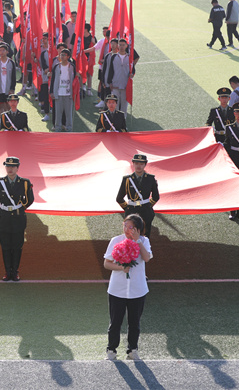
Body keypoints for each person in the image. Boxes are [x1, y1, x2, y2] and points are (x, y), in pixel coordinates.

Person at [103, 213, 152, 361]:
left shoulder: (144, 241)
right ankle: (111, 350)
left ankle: (132, 350)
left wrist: (138, 241)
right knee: (115, 322)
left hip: (138, 290)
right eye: (125, 225)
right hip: (117, 289)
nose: (126, 229)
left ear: (138, 229)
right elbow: (107, 263)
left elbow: (146, 258)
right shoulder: (116, 240)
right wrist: (121, 268)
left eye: (131, 227)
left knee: (134, 323)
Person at [0, 156, 35, 281]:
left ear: (17, 168)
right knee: (5, 246)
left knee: (17, 246)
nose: (10, 169)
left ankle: (15, 272)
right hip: (4, 218)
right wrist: (0, 207)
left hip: (18, 218)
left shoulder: (25, 182)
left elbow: (30, 199)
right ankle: (8, 272)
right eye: (8, 166)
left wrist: (21, 208)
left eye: (13, 166)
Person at [116, 154, 160, 237]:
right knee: (130, 236)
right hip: (131, 211)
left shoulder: (150, 179)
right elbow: (119, 198)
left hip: (146, 211)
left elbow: (156, 196)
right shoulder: (127, 179)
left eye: (141, 164)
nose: (138, 166)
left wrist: (148, 206)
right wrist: (127, 208)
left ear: (145, 164)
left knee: (145, 236)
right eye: (136, 163)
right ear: (133, 164)